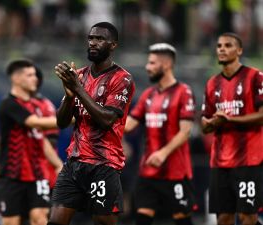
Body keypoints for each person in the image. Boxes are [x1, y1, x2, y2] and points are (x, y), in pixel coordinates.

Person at [47, 21, 135, 225]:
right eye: (91, 38)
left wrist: (78, 89)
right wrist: (69, 96)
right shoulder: (79, 76)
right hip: (74, 162)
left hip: (103, 164)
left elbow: (106, 120)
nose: (93, 42)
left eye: (100, 39)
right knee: (54, 221)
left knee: (103, 222)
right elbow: (61, 123)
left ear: (113, 45)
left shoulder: (122, 79)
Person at [124, 43, 196, 225]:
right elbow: (129, 124)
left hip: (176, 172)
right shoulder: (148, 95)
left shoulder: (183, 92)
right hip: (148, 172)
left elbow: (185, 131)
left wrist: (163, 153)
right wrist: (98, 118)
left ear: (166, 64)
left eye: (152, 63)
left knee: (182, 219)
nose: (147, 67)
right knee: (142, 218)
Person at [201, 32, 263, 225]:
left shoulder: (255, 77)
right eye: (219, 46)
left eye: (228, 45)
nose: (222, 49)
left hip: (249, 161)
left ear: (240, 50)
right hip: (219, 162)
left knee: (247, 216)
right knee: (223, 218)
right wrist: (212, 124)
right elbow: (204, 124)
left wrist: (229, 120)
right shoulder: (212, 83)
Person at [0, 59, 62, 225]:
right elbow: (34, 123)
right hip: (13, 175)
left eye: (35, 75)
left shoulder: (38, 106)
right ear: (16, 78)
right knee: (12, 222)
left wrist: (58, 164)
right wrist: (72, 119)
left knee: (40, 219)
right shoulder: (8, 104)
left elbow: (40, 138)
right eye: (30, 75)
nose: (35, 79)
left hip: (37, 175)